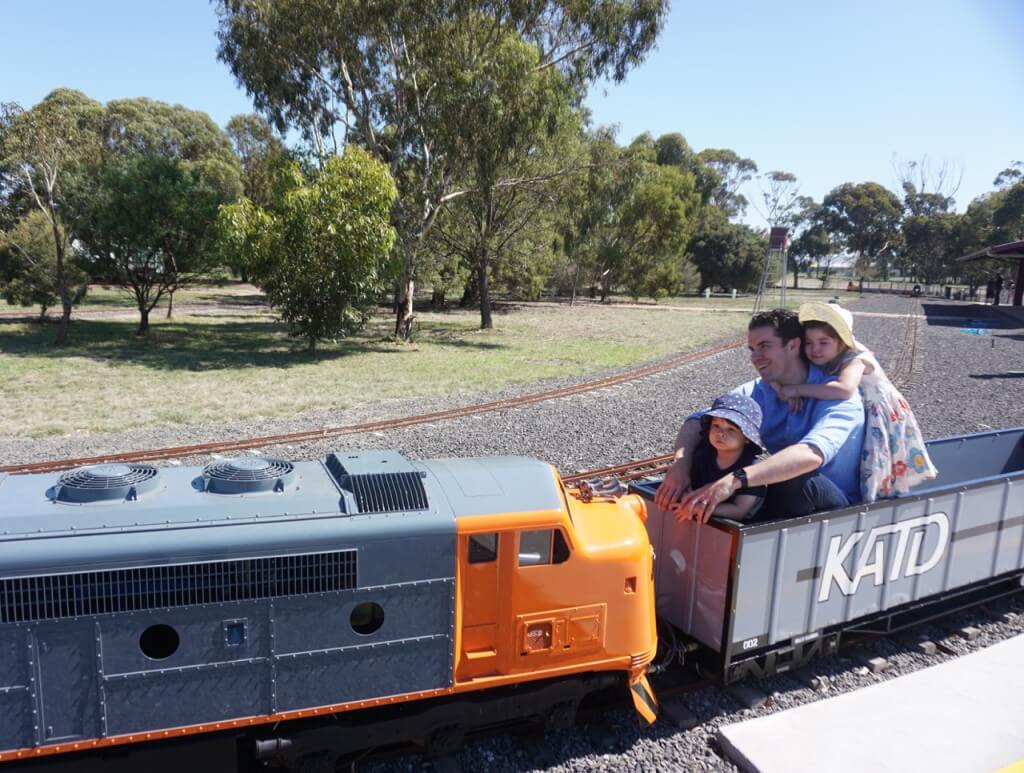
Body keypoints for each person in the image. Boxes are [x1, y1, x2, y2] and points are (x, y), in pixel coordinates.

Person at [655, 309, 864, 522]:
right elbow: (696, 422)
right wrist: (680, 464)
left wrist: (735, 480)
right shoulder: (757, 391)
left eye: (764, 346)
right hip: (779, 495)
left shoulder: (838, 397)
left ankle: (757, 536)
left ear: (793, 345)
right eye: (752, 349)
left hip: (834, 507)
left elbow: (810, 454)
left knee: (795, 477)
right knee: (712, 434)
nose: (755, 357)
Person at [773, 302, 937, 502]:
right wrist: (786, 388)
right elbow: (774, 372)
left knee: (877, 458)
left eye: (823, 343)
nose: (814, 349)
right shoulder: (828, 355)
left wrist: (797, 389)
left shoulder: (856, 358)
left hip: (881, 412)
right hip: (865, 406)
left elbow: (844, 389)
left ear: (841, 341)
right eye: (809, 342)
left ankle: (878, 499)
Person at [672, 393, 768, 523]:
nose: (720, 434)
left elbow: (740, 510)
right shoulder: (703, 456)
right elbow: (689, 484)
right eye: (716, 426)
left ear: (747, 437)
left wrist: (700, 507)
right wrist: (685, 498)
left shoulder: (751, 469)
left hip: (739, 530)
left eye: (731, 429)